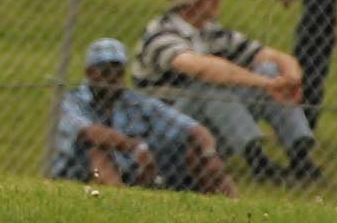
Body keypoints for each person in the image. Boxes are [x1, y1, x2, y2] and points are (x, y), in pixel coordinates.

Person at [135, 0, 315, 179]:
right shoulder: (160, 34)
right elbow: (202, 69)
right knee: (207, 85)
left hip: (205, 123)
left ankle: (300, 156)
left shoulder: (210, 30)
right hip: (166, 131)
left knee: (268, 69)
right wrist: (267, 84)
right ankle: (258, 162)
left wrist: (291, 77)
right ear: (190, 2)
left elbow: (270, 56)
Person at [52, 35, 229, 192]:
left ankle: (235, 209)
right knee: (97, 148)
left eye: (118, 72)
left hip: (131, 172)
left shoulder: (135, 101)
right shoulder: (71, 100)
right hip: (79, 174)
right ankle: (117, 202)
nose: (113, 79)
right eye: (105, 72)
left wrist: (209, 153)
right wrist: (135, 147)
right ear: (89, 73)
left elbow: (191, 127)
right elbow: (89, 132)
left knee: (196, 150)